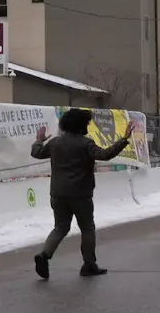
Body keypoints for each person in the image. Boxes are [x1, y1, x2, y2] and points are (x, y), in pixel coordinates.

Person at [31, 108, 133, 279]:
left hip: (58, 193)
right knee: (87, 228)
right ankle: (89, 264)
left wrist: (39, 140)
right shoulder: (86, 144)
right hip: (81, 194)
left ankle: (44, 255)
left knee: (60, 227)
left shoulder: (55, 142)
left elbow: (37, 153)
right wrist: (124, 140)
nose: (88, 125)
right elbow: (105, 155)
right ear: (80, 125)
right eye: (87, 123)